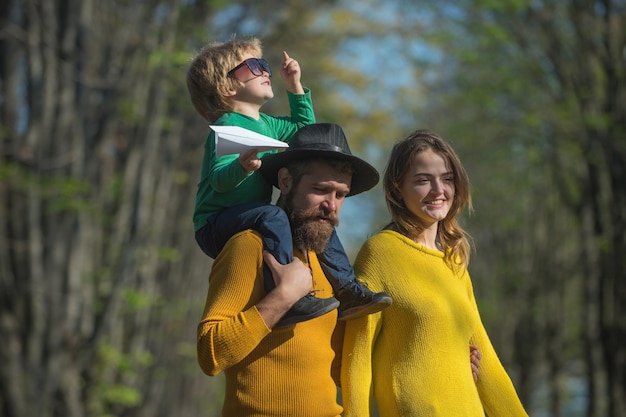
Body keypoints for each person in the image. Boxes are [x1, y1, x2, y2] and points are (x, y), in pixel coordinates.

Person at [187, 37, 390, 327]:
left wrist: (295, 85)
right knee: (273, 214)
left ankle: (347, 290)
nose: (264, 71)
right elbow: (219, 182)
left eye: (264, 64)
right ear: (226, 87)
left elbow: (308, 134)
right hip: (214, 224)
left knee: (320, 216)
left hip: (252, 215)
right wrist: (243, 167)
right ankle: (286, 292)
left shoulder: (268, 125)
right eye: (252, 67)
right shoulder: (226, 125)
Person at [196, 123, 383, 416]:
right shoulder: (249, 246)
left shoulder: (330, 266)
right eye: (320, 190)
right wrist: (283, 297)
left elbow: (337, 370)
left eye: (340, 194)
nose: (331, 205)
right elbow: (211, 354)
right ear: (285, 181)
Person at [341, 129, 529, 416]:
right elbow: (358, 357)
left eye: (447, 179)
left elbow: (487, 361)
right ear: (396, 189)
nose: (439, 190)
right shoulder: (379, 253)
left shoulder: (454, 262)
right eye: (422, 180)